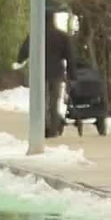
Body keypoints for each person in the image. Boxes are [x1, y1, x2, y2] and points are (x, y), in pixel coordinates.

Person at [18, 9, 75, 137]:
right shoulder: (62, 36)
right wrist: (72, 73)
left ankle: (42, 126)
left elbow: (24, 50)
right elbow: (69, 56)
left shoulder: (36, 34)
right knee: (54, 102)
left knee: (41, 101)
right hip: (56, 73)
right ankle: (53, 129)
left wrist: (20, 59)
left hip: (39, 72)